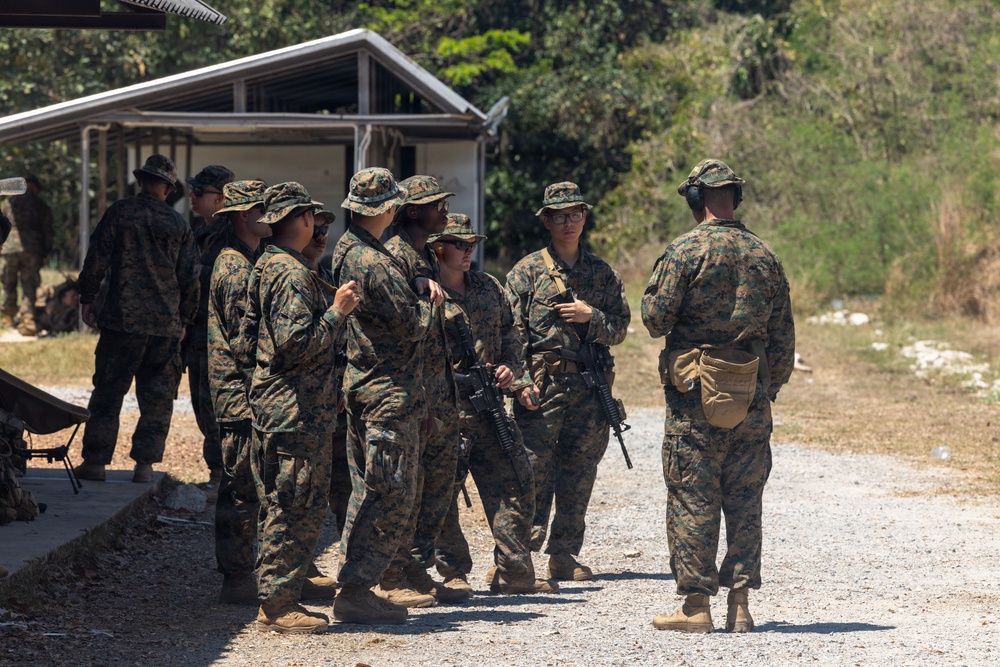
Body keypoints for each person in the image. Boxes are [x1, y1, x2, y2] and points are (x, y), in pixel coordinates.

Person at [641, 159, 794, 633]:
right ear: (735, 198)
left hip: (694, 398)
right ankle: (741, 606)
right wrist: (766, 387)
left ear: (695, 199)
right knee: (745, 499)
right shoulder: (764, 254)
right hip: (751, 393)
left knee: (692, 496)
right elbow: (783, 339)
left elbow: (654, 320)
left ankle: (695, 608)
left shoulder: (684, 251)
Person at [246, 182, 361, 634]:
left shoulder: (276, 265)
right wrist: (337, 312)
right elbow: (296, 346)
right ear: (302, 219)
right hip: (293, 411)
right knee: (293, 504)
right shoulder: (289, 273)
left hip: (292, 408)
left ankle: (279, 596)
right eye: (311, 216)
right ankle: (277, 604)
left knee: (290, 501)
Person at [506, 181, 631, 582]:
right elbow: (509, 334)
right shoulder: (526, 272)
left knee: (580, 474)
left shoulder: (601, 272)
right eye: (560, 215)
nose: (569, 222)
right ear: (546, 220)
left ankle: (564, 555)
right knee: (530, 472)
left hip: (590, 389)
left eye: (576, 214)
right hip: (542, 388)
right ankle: (517, 560)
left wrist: (590, 316)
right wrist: (520, 382)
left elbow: (621, 328)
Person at [330, 167, 439, 625]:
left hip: (365, 385)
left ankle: (356, 584)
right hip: (388, 392)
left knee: (367, 489)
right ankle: (356, 589)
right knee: (389, 492)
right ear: (390, 208)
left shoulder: (347, 248)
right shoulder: (373, 261)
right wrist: (430, 299)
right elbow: (413, 326)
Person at [431, 213, 558, 595]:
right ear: (438, 247)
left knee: (516, 483)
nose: (468, 251)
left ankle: (514, 571)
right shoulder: (425, 292)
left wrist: (512, 373)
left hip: (489, 411)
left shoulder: (488, 286)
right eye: (459, 244)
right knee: (440, 496)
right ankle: (452, 572)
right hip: (445, 414)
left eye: (472, 245)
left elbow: (512, 335)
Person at [75, 154, 199, 483]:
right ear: (169, 189)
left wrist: (87, 298)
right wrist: (184, 320)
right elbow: (190, 278)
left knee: (108, 392)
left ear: (141, 181)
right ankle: (144, 467)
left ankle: (96, 463)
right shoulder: (178, 224)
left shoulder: (121, 212)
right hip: (165, 326)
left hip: (121, 322)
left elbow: (97, 256)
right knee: (157, 398)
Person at [381, 175, 469, 606]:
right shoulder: (396, 255)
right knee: (406, 488)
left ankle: (415, 568)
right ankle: (392, 573)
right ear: (413, 211)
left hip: (436, 390)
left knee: (433, 488)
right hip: (410, 391)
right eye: (437, 204)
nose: (445, 211)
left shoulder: (424, 254)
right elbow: (403, 331)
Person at [206, 180, 271, 606]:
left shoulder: (252, 259)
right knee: (240, 487)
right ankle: (236, 576)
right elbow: (244, 343)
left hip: (250, 394)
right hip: (239, 397)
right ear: (245, 216)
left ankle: (254, 571)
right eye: (264, 209)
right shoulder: (234, 269)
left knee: (253, 485)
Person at [301, 210, 352, 535]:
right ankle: (305, 569)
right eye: (314, 231)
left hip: (339, 401)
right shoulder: (292, 281)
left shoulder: (333, 279)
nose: (321, 238)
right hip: (305, 404)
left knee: (345, 488)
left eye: (325, 232)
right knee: (306, 492)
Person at [187, 165, 236, 486]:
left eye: (199, 192)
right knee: (202, 404)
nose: (192, 197)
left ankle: (225, 475)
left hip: (221, 337)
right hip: (197, 335)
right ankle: (217, 472)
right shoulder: (199, 233)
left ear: (220, 199)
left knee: (217, 405)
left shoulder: (232, 236)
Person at [1, 175, 54, 336]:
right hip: (32, 249)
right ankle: (28, 320)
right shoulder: (40, 205)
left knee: (8, 282)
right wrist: (45, 253)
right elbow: (47, 231)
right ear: (35, 187)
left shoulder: (8, 203)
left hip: (9, 247)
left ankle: (7, 317)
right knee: (29, 285)